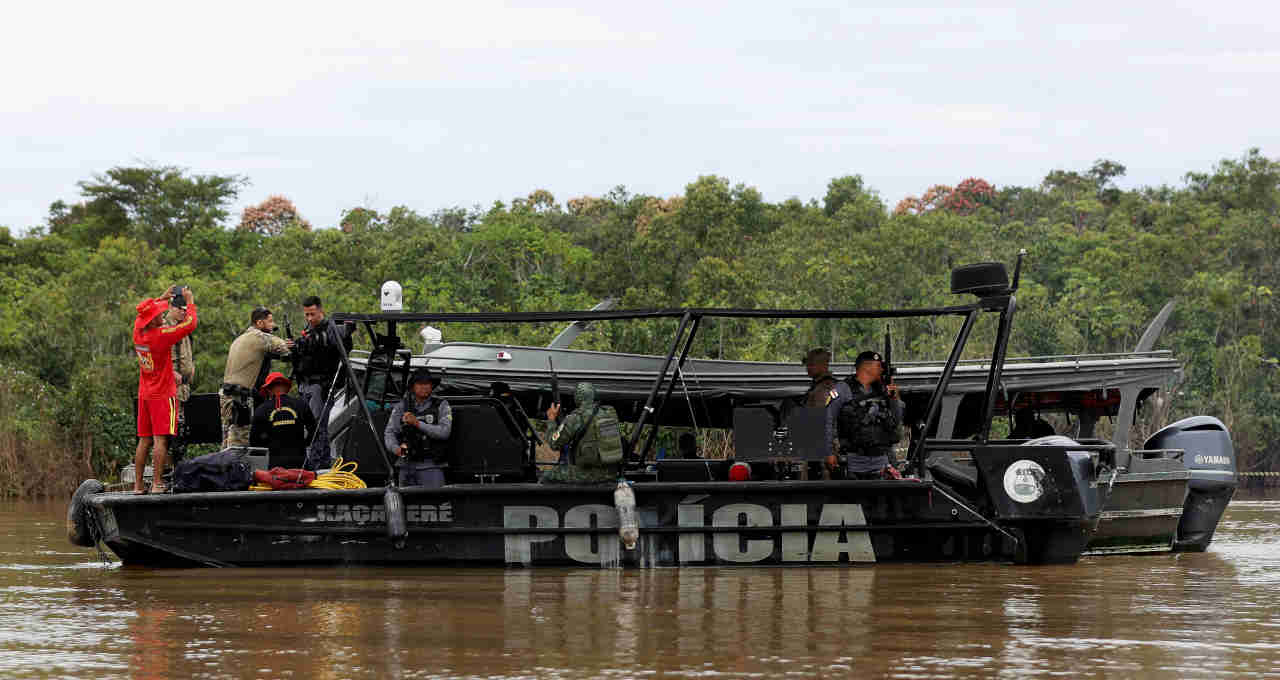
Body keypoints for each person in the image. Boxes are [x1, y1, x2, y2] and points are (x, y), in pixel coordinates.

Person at [132, 286, 198, 494]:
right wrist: (190, 301)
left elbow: (142, 315)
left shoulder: (138, 331)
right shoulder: (160, 335)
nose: (162, 315)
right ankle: (157, 483)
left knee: (144, 440)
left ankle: (138, 484)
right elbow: (190, 323)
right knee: (161, 439)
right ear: (153, 321)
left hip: (145, 393)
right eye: (158, 315)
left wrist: (161, 298)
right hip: (163, 394)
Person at [826, 350, 903, 480]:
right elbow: (826, 420)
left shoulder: (882, 389)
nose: (882, 369)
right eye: (878, 366)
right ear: (866, 367)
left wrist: (894, 399)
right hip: (853, 462)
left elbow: (897, 420)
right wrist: (829, 452)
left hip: (881, 461)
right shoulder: (843, 389)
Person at [221, 307, 292, 449]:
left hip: (226, 395)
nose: (273, 326)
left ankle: (224, 469)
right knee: (240, 444)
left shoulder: (240, 338)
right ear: (259, 323)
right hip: (241, 398)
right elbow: (287, 351)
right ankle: (239, 470)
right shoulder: (260, 337)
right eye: (270, 322)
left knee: (227, 440)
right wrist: (291, 344)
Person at [542, 382, 624, 483]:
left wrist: (551, 420)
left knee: (548, 475)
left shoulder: (576, 418)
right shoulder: (609, 413)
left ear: (578, 398)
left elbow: (554, 444)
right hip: (611, 474)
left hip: (587, 474)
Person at [384, 369, 453, 488]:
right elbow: (389, 433)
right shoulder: (401, 406)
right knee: (405, 504)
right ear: (413, 386)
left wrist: (417, 423)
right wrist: (396, 449)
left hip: (431, 466)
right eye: (420, 383)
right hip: (406, 465)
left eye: (427, 383)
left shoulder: (442, 405)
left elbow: (444, 432)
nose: (424, 387)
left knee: (434, 504)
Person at [292, 296, 354, 419]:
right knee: (305, 422)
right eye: (306, 315)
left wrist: (348, 327)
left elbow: (345, 340)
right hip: (305, 384)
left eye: (312, 314)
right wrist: (294, 347)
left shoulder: (331, 328)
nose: (309, 318)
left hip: (321, 386)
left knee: (318, 425)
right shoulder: (308, 329)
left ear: (321, 311)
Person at [251, 371, 317, 469]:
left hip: (275, 465)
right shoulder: (301, 404)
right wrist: (304, 443)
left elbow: (254, 441)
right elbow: (315, 431)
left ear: (269, 390)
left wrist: (269, 444)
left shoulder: (261, 410)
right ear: (286, 387)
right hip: (300, 463)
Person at [165, 300, 196, 463]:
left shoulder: (183, 327)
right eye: (180, 309)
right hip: (169, 387)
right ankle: (167, 470)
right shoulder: (164, 325)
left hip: (183, 387)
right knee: (170, 432)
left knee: (182, 431)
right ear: (171, 307)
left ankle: (179, 468)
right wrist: (170, 372)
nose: (183, 312)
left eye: (186, 309)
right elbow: (155, 353)